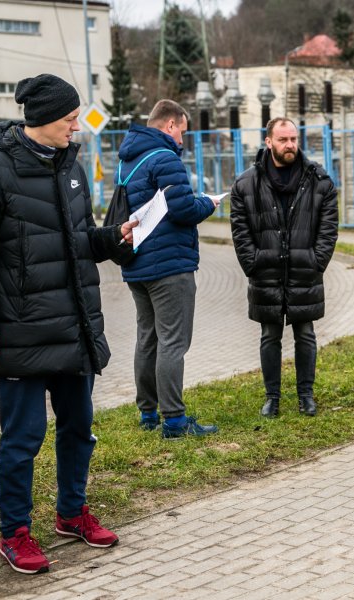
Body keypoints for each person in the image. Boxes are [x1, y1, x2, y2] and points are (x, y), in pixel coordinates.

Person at [0, 74, 135, 574]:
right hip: (21, 329)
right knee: (22, 438)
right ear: (44, 118)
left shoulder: (71, 166)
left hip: (74, 326)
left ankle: (71, 514)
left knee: (79, 429)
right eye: (70, 117)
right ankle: (15, 534)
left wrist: (113, 238)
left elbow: (78, 238)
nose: (76, 125)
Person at [116, 99, 219, 438]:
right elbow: (183, 210)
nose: (182, 141)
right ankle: (174, 421)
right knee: (173, 341)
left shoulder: (127, 159)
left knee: (147, 338)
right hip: (170, 267)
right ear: (170, 125)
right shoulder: (165, 158)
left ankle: (148, 414)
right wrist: (208, 203)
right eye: (182, 132)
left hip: (137, 265)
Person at [230, 117, 338, 417]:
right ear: (268, 142)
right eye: (283, 140)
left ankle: (306, 396)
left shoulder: (318, 180)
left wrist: (317, 261)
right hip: (266, 270)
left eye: (293, 139)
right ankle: (272, 398)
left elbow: (329, 228)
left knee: (305, 334)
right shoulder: (246, 183)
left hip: (305, 270)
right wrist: (252, 262)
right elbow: (240, 230)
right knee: (269, 336)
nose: (290, 145)